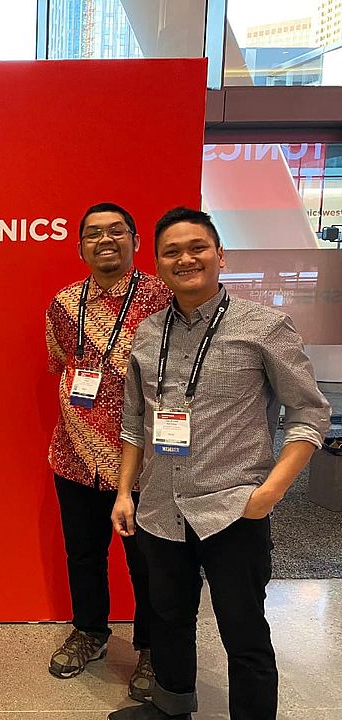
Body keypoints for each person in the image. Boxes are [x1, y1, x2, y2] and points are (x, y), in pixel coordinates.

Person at [108, 207, 331, 720]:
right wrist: (124, 492)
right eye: (171, 252)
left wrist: (270, 493)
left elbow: (309, 413)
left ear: (219, 254)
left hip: (233, 509)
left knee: (243, 631)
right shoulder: (147, 333)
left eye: (197, 247)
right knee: (168, 617)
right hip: (160, 508)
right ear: (158, 263)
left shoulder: (264, 326)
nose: (185, 259)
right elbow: (135, 421)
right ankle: (171, 707)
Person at [45, 202, 172, 700]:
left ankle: (153, 648)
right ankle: (90, 632)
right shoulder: (64, 303)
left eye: (116, 231)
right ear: (80, 248)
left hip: (141, 461)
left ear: (136, 241)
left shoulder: (162, 297)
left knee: (148, 561)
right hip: (74, 455)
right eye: (93, 234)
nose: (105, 240)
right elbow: (60, 360)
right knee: (83, 554)